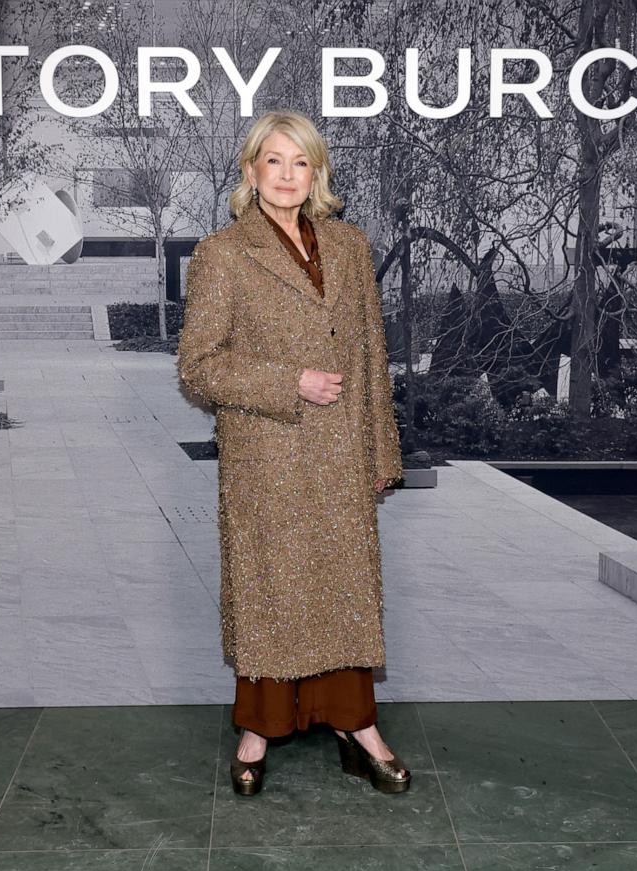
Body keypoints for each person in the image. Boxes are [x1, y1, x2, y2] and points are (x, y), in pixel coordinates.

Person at [178, 109, 410, 796]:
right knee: (271, 596)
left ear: (318, 174)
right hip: (268, 457)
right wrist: (289, 382)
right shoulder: (223, 253)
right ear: (250, 172)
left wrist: (379, 455)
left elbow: (371, 358)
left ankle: (355, 725)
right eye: (272, 162)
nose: (286, 175)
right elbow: (198, 368)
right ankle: (258, 729)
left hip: (340, 456)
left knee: (342, 595)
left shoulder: (350, 247)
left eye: (299, 162)